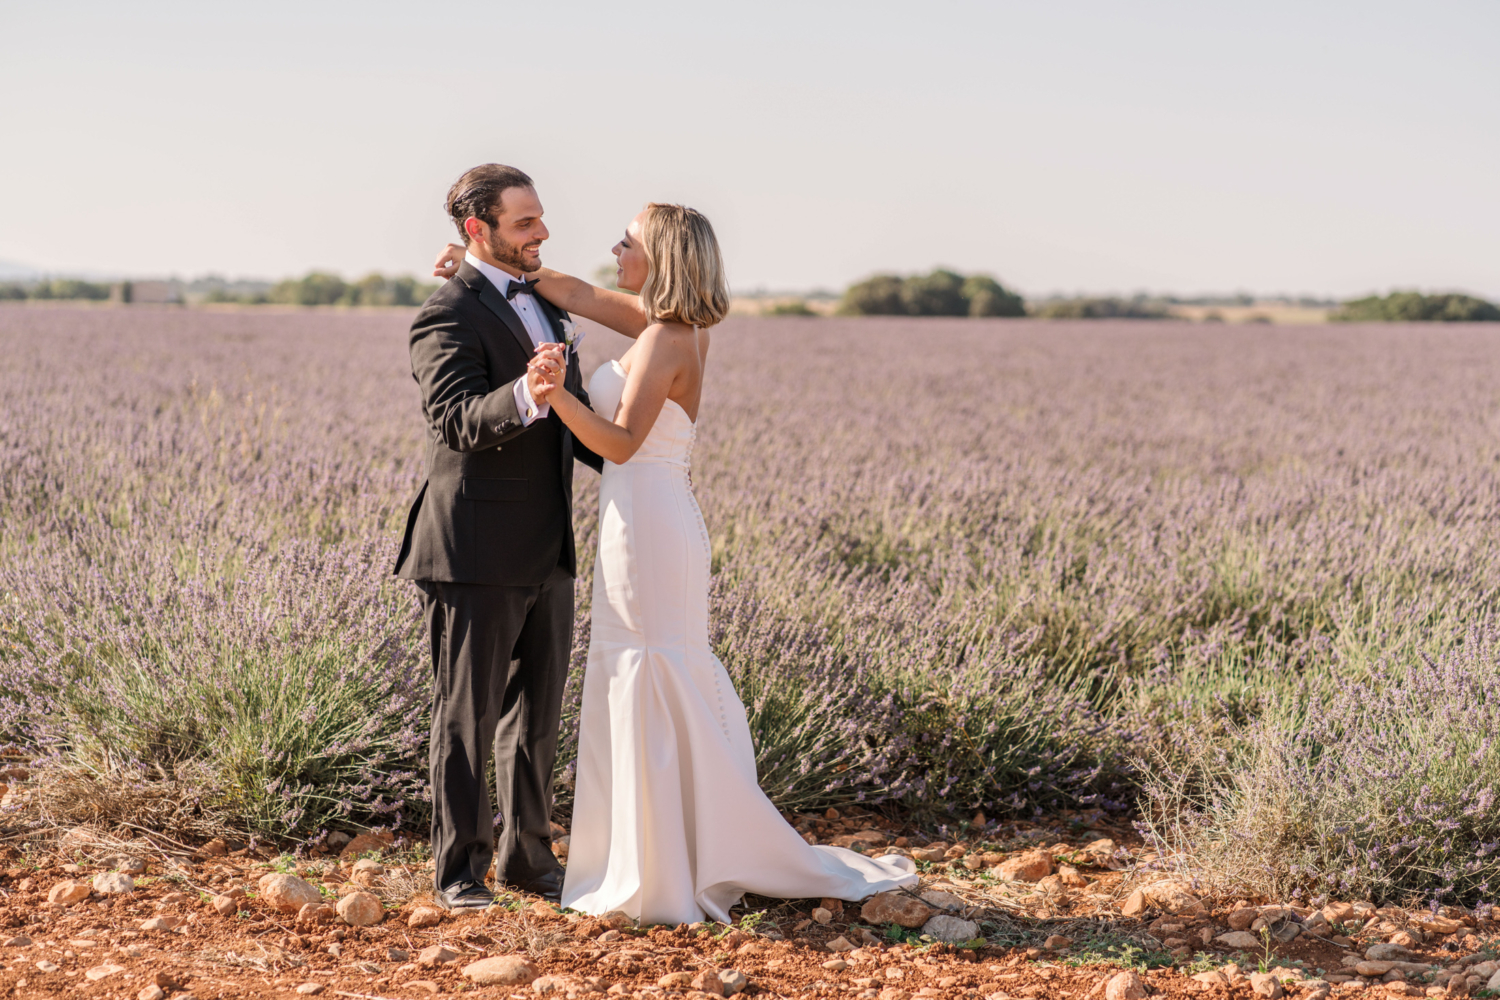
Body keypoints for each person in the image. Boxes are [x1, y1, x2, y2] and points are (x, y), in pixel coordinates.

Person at [433, 203, 917, 924]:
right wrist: (485, 273)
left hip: (648, 520)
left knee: (650, 670)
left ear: (656, 257)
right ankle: (671, 846)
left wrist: (553, 393)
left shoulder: (664, 336)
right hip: (650, 517)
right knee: (653, 669)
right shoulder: (673, 326)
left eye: (626, 241)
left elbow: (621, 444)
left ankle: (660, 865)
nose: (614, 248)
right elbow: (582, 296)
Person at [396, 163, 633, 909]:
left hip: (549, 546)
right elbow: (457, 422)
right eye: (525, 222)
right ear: (479, 230)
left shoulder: (545, 305)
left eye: (540, 218)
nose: (543, 232)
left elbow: (580, 423)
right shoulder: (445, 314)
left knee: (535, 717)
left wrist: (644, 455)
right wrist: (527, 393)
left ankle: (528, 857)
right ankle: (459, 875)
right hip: (471, 549)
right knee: (465, 720)